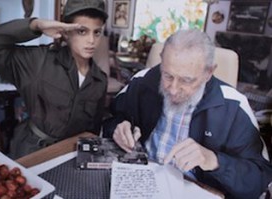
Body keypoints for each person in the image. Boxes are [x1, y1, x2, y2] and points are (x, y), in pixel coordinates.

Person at [103, 29, 272, 199]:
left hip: (195, 189)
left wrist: (214, 161)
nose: (173, 89)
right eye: (168, 76)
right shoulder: (142, 81)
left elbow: (259, 180)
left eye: (187, 80)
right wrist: (118, 128)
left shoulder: (234, 106)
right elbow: (111, 119)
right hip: (140, 181)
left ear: (209, 72)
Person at [0, 0, 108, 159]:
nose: (91, 40)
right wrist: (35, 25)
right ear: (66, 32)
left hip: (72, 156)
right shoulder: (39, 61)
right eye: (82, 31)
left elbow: (94, 129)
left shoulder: (100, 80)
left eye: (97, 32)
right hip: (34, 151)